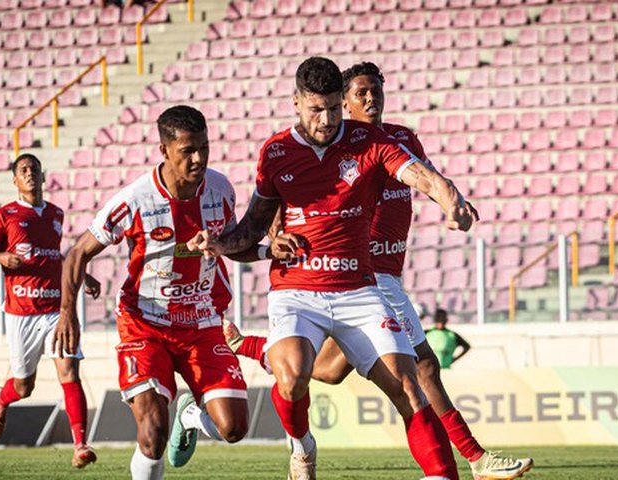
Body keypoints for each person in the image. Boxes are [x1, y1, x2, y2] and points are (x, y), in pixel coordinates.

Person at [224, 62, 533, 480]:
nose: (330, 118)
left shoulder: (382, 140)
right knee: (327, 375)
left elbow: (424, 176)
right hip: (320, 283)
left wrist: (450, 199)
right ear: (300, 103)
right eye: (320, 108)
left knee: (368, 377)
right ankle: (306, 445)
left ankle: (257, 349)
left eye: (336, 108)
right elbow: (258, 222)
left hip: (365, 283)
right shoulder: (281, 151)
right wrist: (238, 243)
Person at [53, 106, 264, 480]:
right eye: (187, 150)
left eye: (204, 147)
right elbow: (78, 254)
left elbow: (231, 246)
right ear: (164, 149)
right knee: (152, 433)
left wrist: (267, 250)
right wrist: (68, 312)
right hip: (145, 325)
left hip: (203, 322)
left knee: (233, 429)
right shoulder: (136, 198)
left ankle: (191, 415)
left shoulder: (220, 189)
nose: (198, 158)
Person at [0, 154, 99, 469]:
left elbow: (54, 256)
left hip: (55, 309)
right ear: (15, 180)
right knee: (23, 387)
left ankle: (80, 445)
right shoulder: (5, 215)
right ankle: (1, 400)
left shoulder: (56, 214)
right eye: (23, 170)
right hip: (21, 314)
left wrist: (81, 275)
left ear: (43, 177)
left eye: (35, 169)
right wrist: (1, 257)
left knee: (68, 370)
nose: (30, 174)